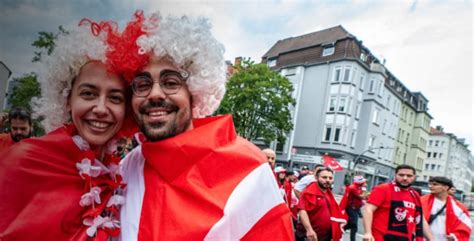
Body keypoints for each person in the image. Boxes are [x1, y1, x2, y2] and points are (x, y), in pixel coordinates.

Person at [119, 11, 294, 240]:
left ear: (194, 92)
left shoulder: (249, 170)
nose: (155, 94)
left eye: (171, 82)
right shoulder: (126, 168)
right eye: (142, 85)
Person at [0, 16, 138, 241]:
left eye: (115, 98)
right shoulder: (23, 161)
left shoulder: (124, 171)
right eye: (88, 94)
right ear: (67, 99)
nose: (101, 108)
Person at [362, 164, 433, 241]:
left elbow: (420, 219)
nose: (405, 178)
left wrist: (431, 239)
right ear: (395, 175)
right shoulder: (383, 189)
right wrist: (367, 232)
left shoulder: (415, 195)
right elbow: (368, 209)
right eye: (401, 175)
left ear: (414, 177)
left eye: (409, 176)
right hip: (381, 237)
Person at [296, 167, 346, 241]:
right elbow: (302, 211)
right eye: (324, 177)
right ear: (316, 177)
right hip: (308, 236)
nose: (328, 180)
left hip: (324, 237)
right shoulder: (309, 192)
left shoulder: (329, 194)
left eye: (330, 178)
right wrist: (309, 230)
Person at [421, 176, 472, 241]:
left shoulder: (458, 207)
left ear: (445, 187)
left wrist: (455, 236)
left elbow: (465, 224)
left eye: (435, 184)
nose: (430, 186)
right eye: (430, 184)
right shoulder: (421, 201)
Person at [339, 175, 368, 241]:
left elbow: (364, 197)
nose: (365, 183)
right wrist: (364, 191)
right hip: (351, 208)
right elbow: (361, 196)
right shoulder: (353, 187)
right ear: (360, 182)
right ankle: (344, 231)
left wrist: (366, 194)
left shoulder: (359, 187)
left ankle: (341, 229)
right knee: (354, 226)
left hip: (356, 208)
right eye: (364, 181)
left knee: (351, 224)